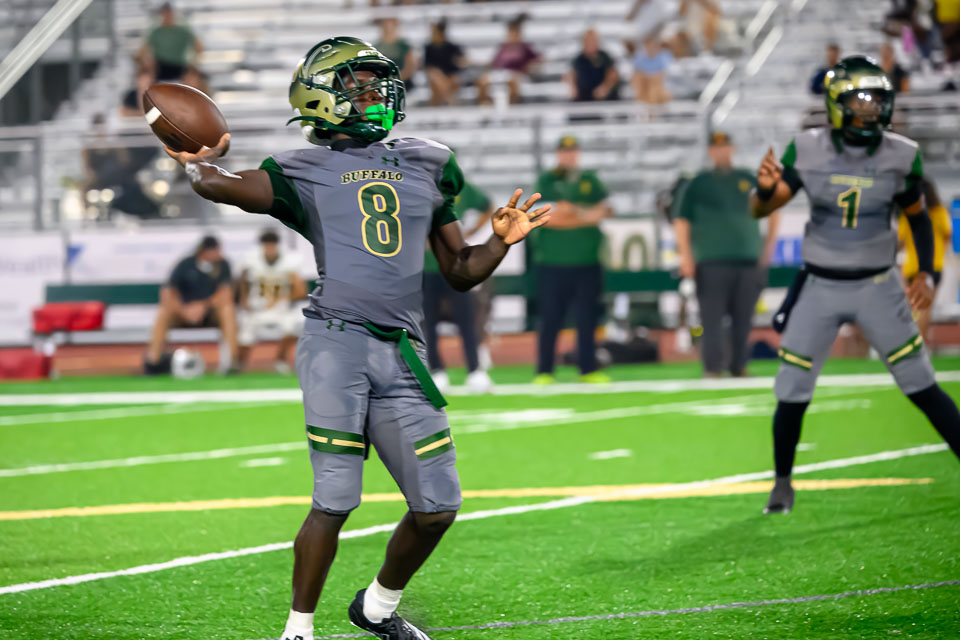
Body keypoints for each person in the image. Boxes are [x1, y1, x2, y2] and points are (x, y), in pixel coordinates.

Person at [159, 37, 550, 640]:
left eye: (376, 83)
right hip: (336, 344)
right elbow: (220, 186)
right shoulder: (300, 169)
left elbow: (459, 270)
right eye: (359, 85)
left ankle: (376, 609)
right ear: (321, 97)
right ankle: (297, 630)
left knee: (438, 506)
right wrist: (199, 160)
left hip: (404, 351)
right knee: (336, 499)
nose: (376, 94)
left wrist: (499, 242)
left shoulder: (428, 161)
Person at [751, 55, 960, 514]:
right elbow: (762, 209)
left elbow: (918, 217)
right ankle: (782, 484)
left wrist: (927, 271)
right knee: (792, 391)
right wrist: (764, 190)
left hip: (877, 285)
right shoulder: (807, 149)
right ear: (836, 103)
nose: (871, 108)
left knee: (921, 384)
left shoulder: (900, 154)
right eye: (861, 99)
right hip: (820, 285)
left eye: (877, 99)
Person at [675, 131, 781, 378]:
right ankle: (712, 367)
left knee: (744, 317)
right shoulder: (698, 183)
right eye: (717, 148)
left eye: (725, 147)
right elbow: (681, 220)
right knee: (711, 318)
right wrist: (685, 256)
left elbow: (773, 209)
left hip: (747, 259)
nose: (721, 152)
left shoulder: (748, 179)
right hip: (711, 260)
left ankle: (739, 365)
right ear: (710, 152)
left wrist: (768, 248)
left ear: (732, 149)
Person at [531, 135, 612, 385]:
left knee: (588, 318)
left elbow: (603, 211)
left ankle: (588, 368)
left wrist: (573, 212)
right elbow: (544, 218)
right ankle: (545, 370)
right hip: (552, 262)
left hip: (587, 261)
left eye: (572, 151)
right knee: (550, 318)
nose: (569, 156)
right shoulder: (546, 181)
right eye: (564, 151)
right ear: (558, 154)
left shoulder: (590, 180)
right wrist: (583, 217)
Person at [422, 180, 496, 393]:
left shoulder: (460, 186)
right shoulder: (417, 184)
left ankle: (475, 370)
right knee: (428, 322)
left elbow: (487, 206)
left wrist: (471, 232)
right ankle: (436, 370)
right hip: (426, 267)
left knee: (467, 319)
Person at [145, 235, 239, 374]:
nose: (217, 254)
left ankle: (230, 362)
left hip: (209, 314)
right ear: (203, 251)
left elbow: (225, 293)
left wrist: (203, 306)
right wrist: (184, 310)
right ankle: (154, 362)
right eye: (213, 251)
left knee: (228, 310)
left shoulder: (223, 265)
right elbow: (168, 292)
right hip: (183, 313)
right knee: (163, 312)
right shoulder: (186, 264)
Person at [237, 229, 307, 373]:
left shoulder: (289, 262)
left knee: (292, 325)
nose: (269, 249)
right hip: (258, 307)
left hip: (281, 308)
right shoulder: (252, 260)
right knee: (245, 330)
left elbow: (301, 290)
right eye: (267, 246)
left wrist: (281, 299)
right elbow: (242, 281)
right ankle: (239, 364)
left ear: (277, 246)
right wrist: (244, 301)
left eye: (272, 246)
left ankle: (280, 360)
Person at [898, 178, 952, 343]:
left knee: (912, 307)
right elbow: (947, 237)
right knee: (925, 308)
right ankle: (920, 342)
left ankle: (911, 341)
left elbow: (900, 241)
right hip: (934, 267)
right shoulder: (940, 213)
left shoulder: (908, 214)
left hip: (911, 267)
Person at [476, 17, 540, 105]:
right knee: (482, 81)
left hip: (517, 74)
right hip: (500, 72)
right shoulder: (503, 47)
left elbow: (537, 61)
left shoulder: (525, 47)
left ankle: (512, 105)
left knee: (512, 81)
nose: (512, 36)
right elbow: (494, 62)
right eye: (511, 33)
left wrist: (528, 67)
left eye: (514, 33)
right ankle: (485, 105)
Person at [138, 3, 202, 83]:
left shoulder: (183, 30)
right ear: (161, 14)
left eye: (170, 14)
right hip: (160, 68)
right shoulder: (155, 31)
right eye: (165, 14)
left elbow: (198, 47)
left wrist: (193, 63)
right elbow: (142, 51)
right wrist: (146, 65)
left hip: (180, 67)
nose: (168, 17)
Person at [567, 29, 620, 102]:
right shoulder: (578, 59)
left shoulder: (605, 57)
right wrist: (572, 87)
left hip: (604, 100)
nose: (591, 43)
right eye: (588, 40)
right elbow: (571, 75)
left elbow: (613, 75)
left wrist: (605, 87)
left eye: (593, 40)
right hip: (583, 100)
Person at [423, 21, 468, 106]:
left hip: (450, 77)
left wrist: (459, 63)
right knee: (436, 77)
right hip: (436, 78)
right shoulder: (429, 48)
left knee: (445, 81)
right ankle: (449, 100)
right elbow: (427, 67)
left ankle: (441, 102)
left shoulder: (452, 47)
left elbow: (462, 62)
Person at [374, 18, 418, 89]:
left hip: (404, 84)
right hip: (385, 84)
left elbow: (410, 67)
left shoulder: (404, 46)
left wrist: (397, 78)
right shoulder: (377, 47)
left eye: (390, 27)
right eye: (386, 27)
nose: (388, 30)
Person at [631, 35, 673, 104]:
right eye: (649, 46)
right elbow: (636, 74)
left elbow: (664, 73)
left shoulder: (663, 57)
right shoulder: (640, 58)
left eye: (653, 46)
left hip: (657, 84)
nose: (651, 48)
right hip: (644, 85)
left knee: (655, 84)